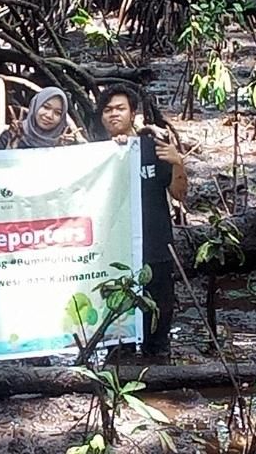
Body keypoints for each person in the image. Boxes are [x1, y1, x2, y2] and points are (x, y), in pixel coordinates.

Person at [96, 84, 187, 359]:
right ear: (101, 116)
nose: (114, 114)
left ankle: (161, 387)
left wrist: (177, 162)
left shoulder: (153, 148)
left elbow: (179, 194)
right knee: (117, 342)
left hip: (156, 250)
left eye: (120, 109)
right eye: (108, 110)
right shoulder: (96, 155)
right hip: (114, 255)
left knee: (157, 335)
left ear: (133, 113)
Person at [0, 87, 69, 149]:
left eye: (57, 113)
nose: (49, 115)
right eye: (46, 107)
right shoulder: (10, 135)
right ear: (35, 106)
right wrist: (12, 144)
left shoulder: (63, 142)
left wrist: (62, 149)